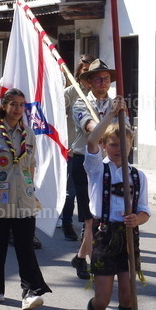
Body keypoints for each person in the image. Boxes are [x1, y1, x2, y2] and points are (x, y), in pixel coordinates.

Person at [75, 97, 150, 310]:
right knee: (103, 299)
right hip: (105, 235)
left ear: (132, 145)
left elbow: (144, 211)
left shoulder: (138, 176)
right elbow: (91, 140)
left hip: (129, 236)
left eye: (124, 144)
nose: (119, 149)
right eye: (113, 144)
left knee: (128, 297)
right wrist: (111, 115)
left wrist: (137, 219)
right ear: (106, 147)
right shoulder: (97, 169)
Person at [0, 88, 52, 308]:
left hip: (23, 198)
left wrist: (30, 187)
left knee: (25, 246)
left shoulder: (28, 132)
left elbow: (31, 164)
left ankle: (29, 292)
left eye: (22, 105)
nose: (18, 109)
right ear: (4, 106)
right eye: (13, 104)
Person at [69, 58, 115, 280]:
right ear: (88, 82)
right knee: (90, 216)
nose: (103, 83)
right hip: (84, 161)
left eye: (106, 79)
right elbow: (93, 132)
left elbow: (124, 135)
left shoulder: (116, 104)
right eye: (98, 78)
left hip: (109, 163)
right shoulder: (80, 104)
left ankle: (82, 256)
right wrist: (113, 117)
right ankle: (84, 258)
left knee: (103, 214)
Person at [61, 54, 95, 240]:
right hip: (73, 149)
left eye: (92, 72)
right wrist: (64, 144)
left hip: (94, 152)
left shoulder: (99, 94)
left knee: (91, 191)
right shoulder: (70, 93)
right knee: (71, 190)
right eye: (85, 71)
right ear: (79, 74)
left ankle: (88, 227)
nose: (89, 76)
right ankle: (66, 222)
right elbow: (58, 119)